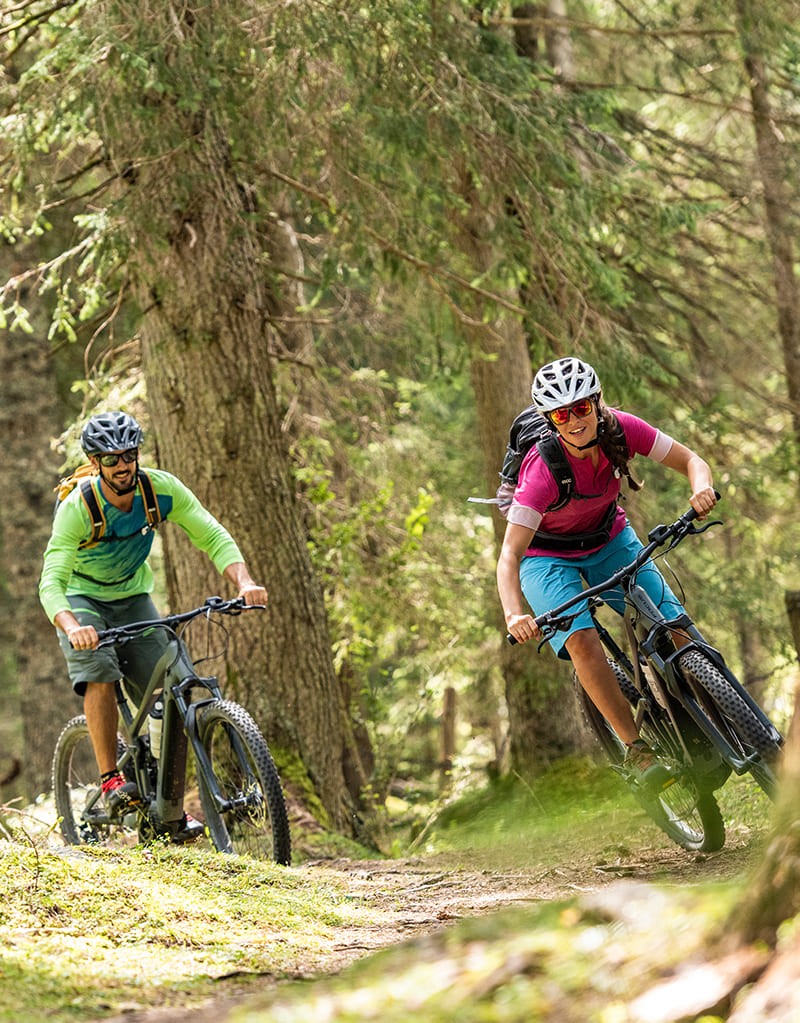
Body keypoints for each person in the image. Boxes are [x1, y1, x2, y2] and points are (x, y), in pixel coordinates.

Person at [39, 410, 268, 838]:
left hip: (131, 596)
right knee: (100, 674)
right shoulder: (79, 507)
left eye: (129, 455)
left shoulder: (159, 490)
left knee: (174, 687)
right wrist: (71, 625)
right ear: (95, 463)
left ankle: (169, 810)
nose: (122, 465)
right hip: (80, 598)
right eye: (110, 459)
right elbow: (51, 579)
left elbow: (211, 534)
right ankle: (110, 779)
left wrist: (245, 581)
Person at [496, 356, 717, 786]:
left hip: (608, 538)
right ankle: (638, 752)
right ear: (550, 419)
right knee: (581, 639)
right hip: (547, 558)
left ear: (597, 403)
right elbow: (509, 556)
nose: (575, 420)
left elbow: (692, 461)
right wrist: (513, 615)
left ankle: (710, 718)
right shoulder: (541, 471)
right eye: (562, 414)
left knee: (674, 626)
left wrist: (701, 488)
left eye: (581, 407)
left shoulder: (622, 430)